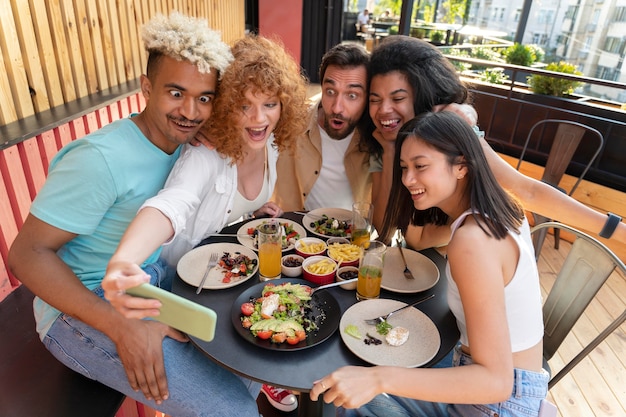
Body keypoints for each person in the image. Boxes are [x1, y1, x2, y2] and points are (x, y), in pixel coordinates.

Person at [7, 13, 264, 416]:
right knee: (234, 412)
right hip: (79, 309)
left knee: (251, 366)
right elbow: (26, 255)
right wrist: (118, 324)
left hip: (151, 283)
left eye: (204, 98)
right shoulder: (100, 159)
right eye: (175, 93)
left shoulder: (189, 140)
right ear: (146, 87)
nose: (190, 111)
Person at [102, 34, 309, 413]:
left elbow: (225, 210)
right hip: (183, 285)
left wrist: (252, 215)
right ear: (226, 104)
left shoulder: (273, 147)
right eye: (244, 105)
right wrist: (123, 261)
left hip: (226, 278)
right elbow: (172, 204)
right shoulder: (205, 154)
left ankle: (260, 381)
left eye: (270, 104)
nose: (259, 118)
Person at [311, 111, 548, 416]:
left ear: (461, 165)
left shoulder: (473, 241)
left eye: (421, 166)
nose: (408, 179)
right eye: (403, 168)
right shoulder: (502, 209)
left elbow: (496, 381)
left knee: (345, 402)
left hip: (497, 404)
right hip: (518, 390)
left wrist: (377, 379)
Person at [365, 35, 626, 250]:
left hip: (475, 256)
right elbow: (386, 229)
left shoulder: (449, 131)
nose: (384, 110)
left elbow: (526, 192)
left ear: (424, 96)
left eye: (398, 99)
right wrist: (389, 151)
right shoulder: (386, 140)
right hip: (436, 257)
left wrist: (616, 228)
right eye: (375, 99)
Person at [272, 43, 372, 211]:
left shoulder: (375, 135)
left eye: (352, 95)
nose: (337, 108)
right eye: (330, 91)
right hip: (298, 230)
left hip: (353, 233)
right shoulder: (292, 121)